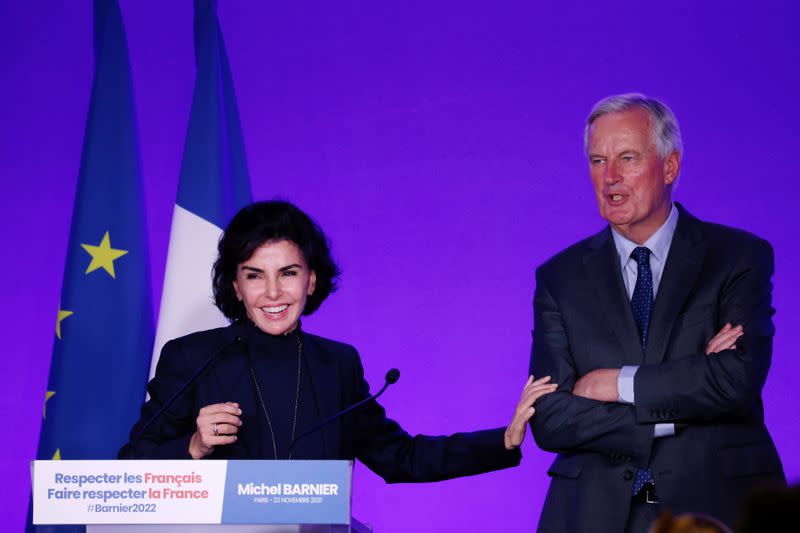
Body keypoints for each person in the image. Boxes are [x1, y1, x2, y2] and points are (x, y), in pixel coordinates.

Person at [120, 200, 556, 484]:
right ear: (236, 286)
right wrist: (192, 448)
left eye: (288, 273)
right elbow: (131, 464)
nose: (273, 293)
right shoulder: (192, 357)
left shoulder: (337, 366)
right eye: (255, 275)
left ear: (311, 280)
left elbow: (400, 457)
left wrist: (504, 439)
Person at [529, 94, 785, 532]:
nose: (609, 176)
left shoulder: (738, 257)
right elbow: (550, 416)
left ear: (670, 167)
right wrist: (684, 396)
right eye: (597, 160)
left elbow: (735, 380)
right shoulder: (560, 277)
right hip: (593, 515)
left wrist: (617, 383)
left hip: (714, 508)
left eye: (627, 157)